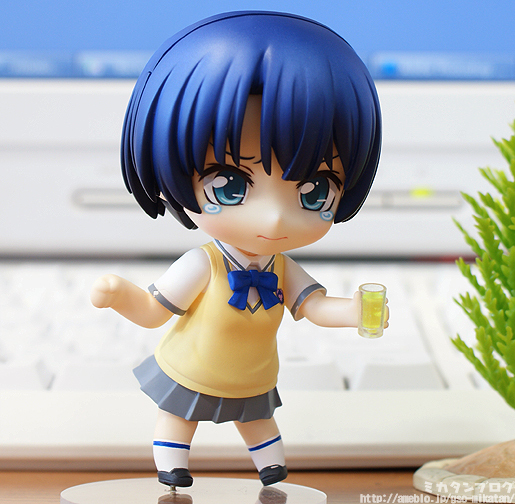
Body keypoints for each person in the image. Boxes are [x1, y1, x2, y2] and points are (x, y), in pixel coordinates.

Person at [91, 11, 383, 488]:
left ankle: (270, 465)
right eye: (229, 185)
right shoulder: (201, 264)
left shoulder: (282, 266)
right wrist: (118, 294)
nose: (274, 219)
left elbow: (313, 307)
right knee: (179, 413)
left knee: (258, 418)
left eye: (315, 191)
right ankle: (173, 464)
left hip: (253, 372)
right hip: (195, 365)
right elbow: (152, 311)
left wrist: (354, 312)